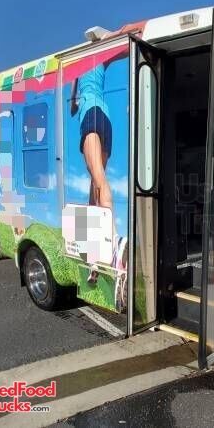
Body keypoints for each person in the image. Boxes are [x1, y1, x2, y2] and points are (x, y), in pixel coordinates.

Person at [70, 52, 128, 289]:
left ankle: (114, 242)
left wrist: (76, 102)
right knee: (93, 185)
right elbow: (123, 47)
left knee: (99, 180)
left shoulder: (77, 65)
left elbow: (72, 106)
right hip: (105, 119)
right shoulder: (101, 56)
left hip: (90, 114)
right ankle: (94, 256)